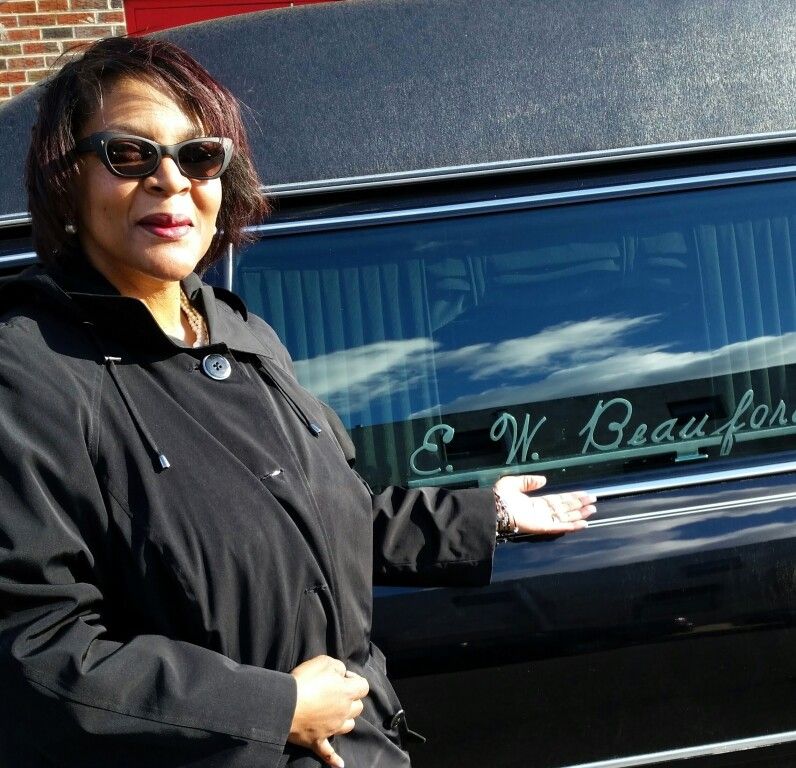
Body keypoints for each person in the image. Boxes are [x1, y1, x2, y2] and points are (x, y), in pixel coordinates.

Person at [0, 36, 595, 768]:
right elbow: (32, 647)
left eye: (198, 156)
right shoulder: (30, 364)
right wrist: (271, 708)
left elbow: (321, 510)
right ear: (68, 181)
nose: (170, 180)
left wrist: (487, 514)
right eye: (130, 155)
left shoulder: (238, 332)